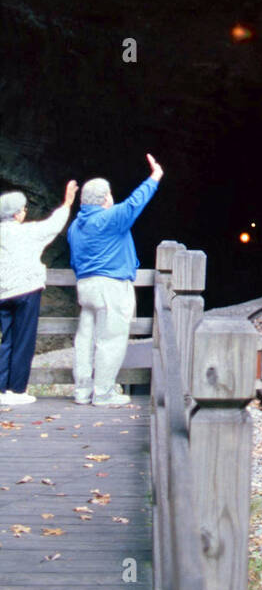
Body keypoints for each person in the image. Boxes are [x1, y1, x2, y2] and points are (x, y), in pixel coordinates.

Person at [68, 154, 163, 407]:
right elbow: (134, 203)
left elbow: (75, 261)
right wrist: (155, 177)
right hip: (110, 287)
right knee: (110, 341)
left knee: (85, 340)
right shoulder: (109, 219)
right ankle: (102, 393)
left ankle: (82, 391)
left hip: (85, 288)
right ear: (106, 199)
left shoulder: (75, 226)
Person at [0, 181, 79, 406]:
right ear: (16, 214)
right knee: (23, 340)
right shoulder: (28, 232)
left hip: (2, 293)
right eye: (23, 209)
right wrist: (67, 202)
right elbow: (52, 225)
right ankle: (16, 390)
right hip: (25, 292)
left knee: (7, 340)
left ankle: (1, 390)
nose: (25, 212)